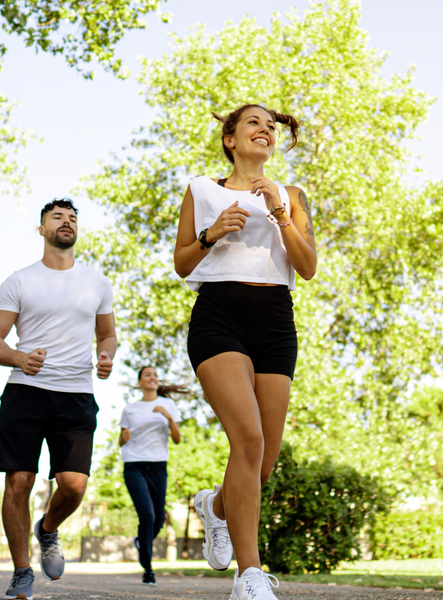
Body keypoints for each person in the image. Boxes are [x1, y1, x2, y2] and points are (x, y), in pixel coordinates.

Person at [172, 104, 317, 600]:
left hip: (275, 320)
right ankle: (248, 576)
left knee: (263, 464)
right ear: (230, 139)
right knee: (248, 439)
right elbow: (181, 262)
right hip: (220, 315)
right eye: (253, 122)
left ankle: (215, 506)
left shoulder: (291, 195)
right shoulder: (201, 188)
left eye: (270, 126)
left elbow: (308, 266)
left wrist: (279, 211)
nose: (265, 130)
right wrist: (212, 234)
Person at [0, 198, 116, 600]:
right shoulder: (20, 280)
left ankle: (48, 528)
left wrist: (107, 354)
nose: (66, 222)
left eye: (72, 218)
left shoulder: (96, 282)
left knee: (74, 486)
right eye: (57, 217)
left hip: (76, 394)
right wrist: (20, 357)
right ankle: (22, 571)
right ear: (42, 229)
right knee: (19, 480)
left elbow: (106, 334)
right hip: (26, 391)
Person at [118, 366, 183, 586]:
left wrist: (168, 417)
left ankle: (140, 541)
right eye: (147, 375)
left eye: (155, 375)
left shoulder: (169, 405)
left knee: (158, 520)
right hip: (134, 465)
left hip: (158, 466)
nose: (153, 377)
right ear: (139, 382)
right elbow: (121, 439)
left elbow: (177, 439)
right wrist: (122, 438)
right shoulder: (130, 409)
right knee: (146, 514)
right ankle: (148, 568)